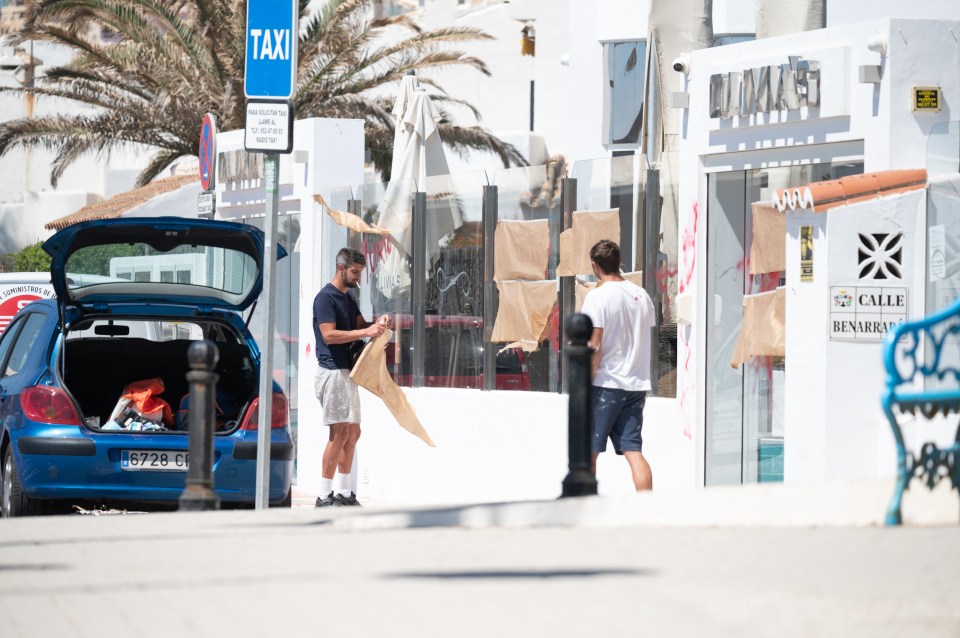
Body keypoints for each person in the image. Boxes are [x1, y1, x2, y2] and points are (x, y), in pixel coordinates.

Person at [313, 247, 390, 507]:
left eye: (360, 272)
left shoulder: (349, 297)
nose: (358, 277)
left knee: (353, 432)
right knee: (339, 433)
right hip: (332, 371)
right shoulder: (325, 298)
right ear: (341, 268)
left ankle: (344, 493)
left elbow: (360, 326)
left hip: (347, 372)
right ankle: (324, 495)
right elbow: (329, 335)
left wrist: (377, 325)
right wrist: (365, 331)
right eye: (355, 272)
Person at [580, 239, 657, 491]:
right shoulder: (641, 294)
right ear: (618, 262)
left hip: (606, 384)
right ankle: (646, 508)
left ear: (595, 265)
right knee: (633, 450)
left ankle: (584, 506)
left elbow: (595, 344)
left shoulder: (597, 297)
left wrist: (586, 381)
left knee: (589, 451)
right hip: (635, 384)